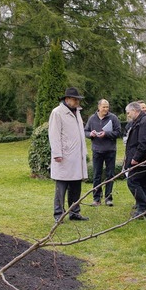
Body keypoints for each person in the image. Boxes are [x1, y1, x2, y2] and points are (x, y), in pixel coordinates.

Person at [48, 87, 89, 222]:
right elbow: (54, 134)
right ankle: (58, 214)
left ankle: (74, 212)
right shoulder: (57, 112)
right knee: (61, 187)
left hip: (76, 156)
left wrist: (84, 152)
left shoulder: (77, 112)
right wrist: (57, 153)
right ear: (67, 99)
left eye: (78, 99)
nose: (77, 101)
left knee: (76, 186)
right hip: (64, 156)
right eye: (75, 99)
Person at [123, 101, 146, 219]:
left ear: (134, 111)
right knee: (142, 182)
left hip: (143, 159)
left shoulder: (144, 121)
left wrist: (136, 158)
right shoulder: (141, 121)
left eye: (128, 113)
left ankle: (143, 207)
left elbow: (144, 141)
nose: (128, 115)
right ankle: (144, 206)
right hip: (144, 158)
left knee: (132, 181)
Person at [84, 99, 121, 206]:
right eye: (104, 107)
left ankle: (108, 198)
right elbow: (85, 131)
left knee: (110, 174)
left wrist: (107, 134)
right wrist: (90, 134)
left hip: (110, 150)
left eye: (107, 107)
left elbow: (118, 132)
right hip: (97, 150)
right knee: (96, 175)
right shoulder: (92, 118)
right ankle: (96, 199)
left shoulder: (113, 118)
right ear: (99, 107)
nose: (106, 109)